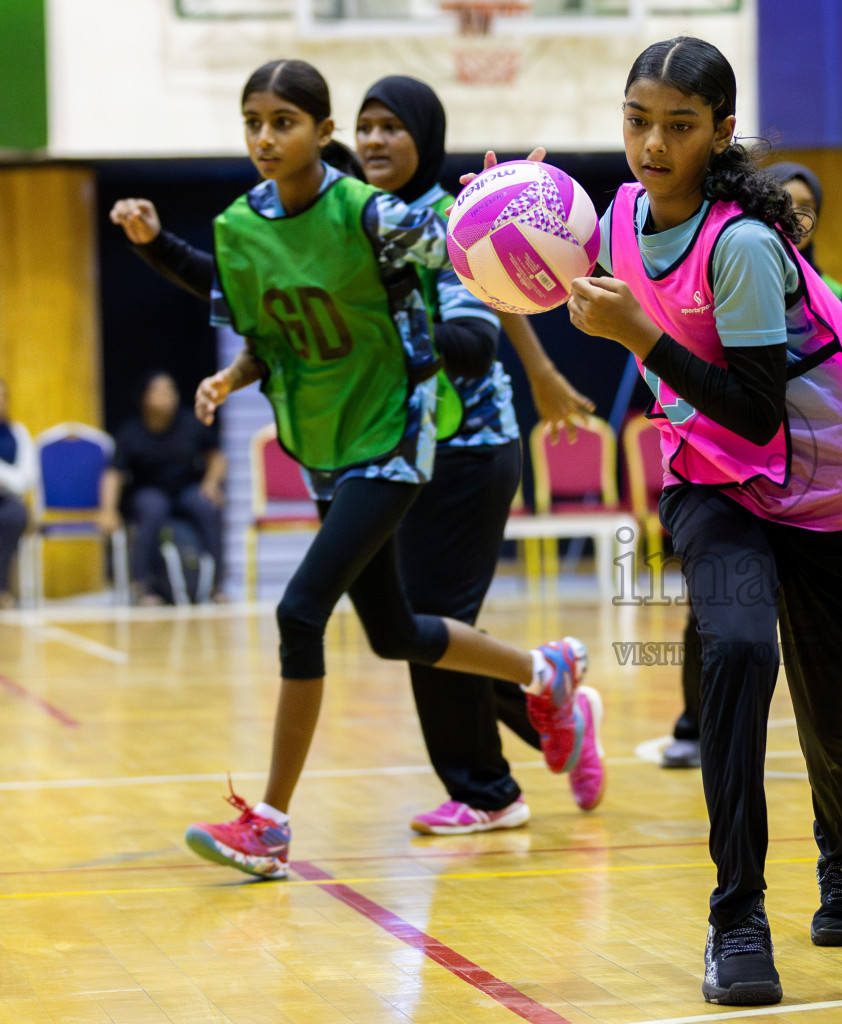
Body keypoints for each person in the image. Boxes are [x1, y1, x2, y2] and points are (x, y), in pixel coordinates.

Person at [128, 58, 589, 881]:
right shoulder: (245, 226)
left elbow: (464, 262)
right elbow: (254, 319)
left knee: (301, 612)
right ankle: (542, 672)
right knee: (395, 634)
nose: (266, 138)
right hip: (327, 448)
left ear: (320, 131)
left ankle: (270, 824)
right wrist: (224, 363)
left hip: (404, 444)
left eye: (284, 122)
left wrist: (514, 203)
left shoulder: (373, 217)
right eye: (253, 123)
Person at [553, 35, 842, 1005]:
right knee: (739, 653)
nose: (652, 144)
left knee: (834, 718)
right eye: (637, 121)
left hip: (819, 489)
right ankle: (736, 915)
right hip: (708, 484)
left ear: (719, 134)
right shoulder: (623, 215)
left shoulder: (746, 246)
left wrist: (637, 338)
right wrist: (508, 220)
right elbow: (546, 263)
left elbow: (754, 409)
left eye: (679, 126)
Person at [660, 161, 842, 770]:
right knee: (720, 609)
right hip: (725, 471)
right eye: (781, 202)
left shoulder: (833, 296)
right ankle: (693, 726)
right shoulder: (715, 267)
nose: (792, 216)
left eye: (804, 208)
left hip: (817, 482)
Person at [97, 372, 227, 605]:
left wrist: (210, 483)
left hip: (186, 489)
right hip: (148, 490)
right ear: (145, 398)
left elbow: (216, 457)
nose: (167, 396)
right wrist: (107, 509)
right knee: (152, 507)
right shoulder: (131, 432)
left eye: (171, 391)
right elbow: (113, 474)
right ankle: (142, 585)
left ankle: (215, 586)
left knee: (206, 506)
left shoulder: (191, 423)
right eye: (159, 391)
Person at [0, 379, 35, 609]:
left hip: (6, 501)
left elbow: (24, 481)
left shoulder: (17, 434)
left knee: (15, 514)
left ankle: (1, 588)